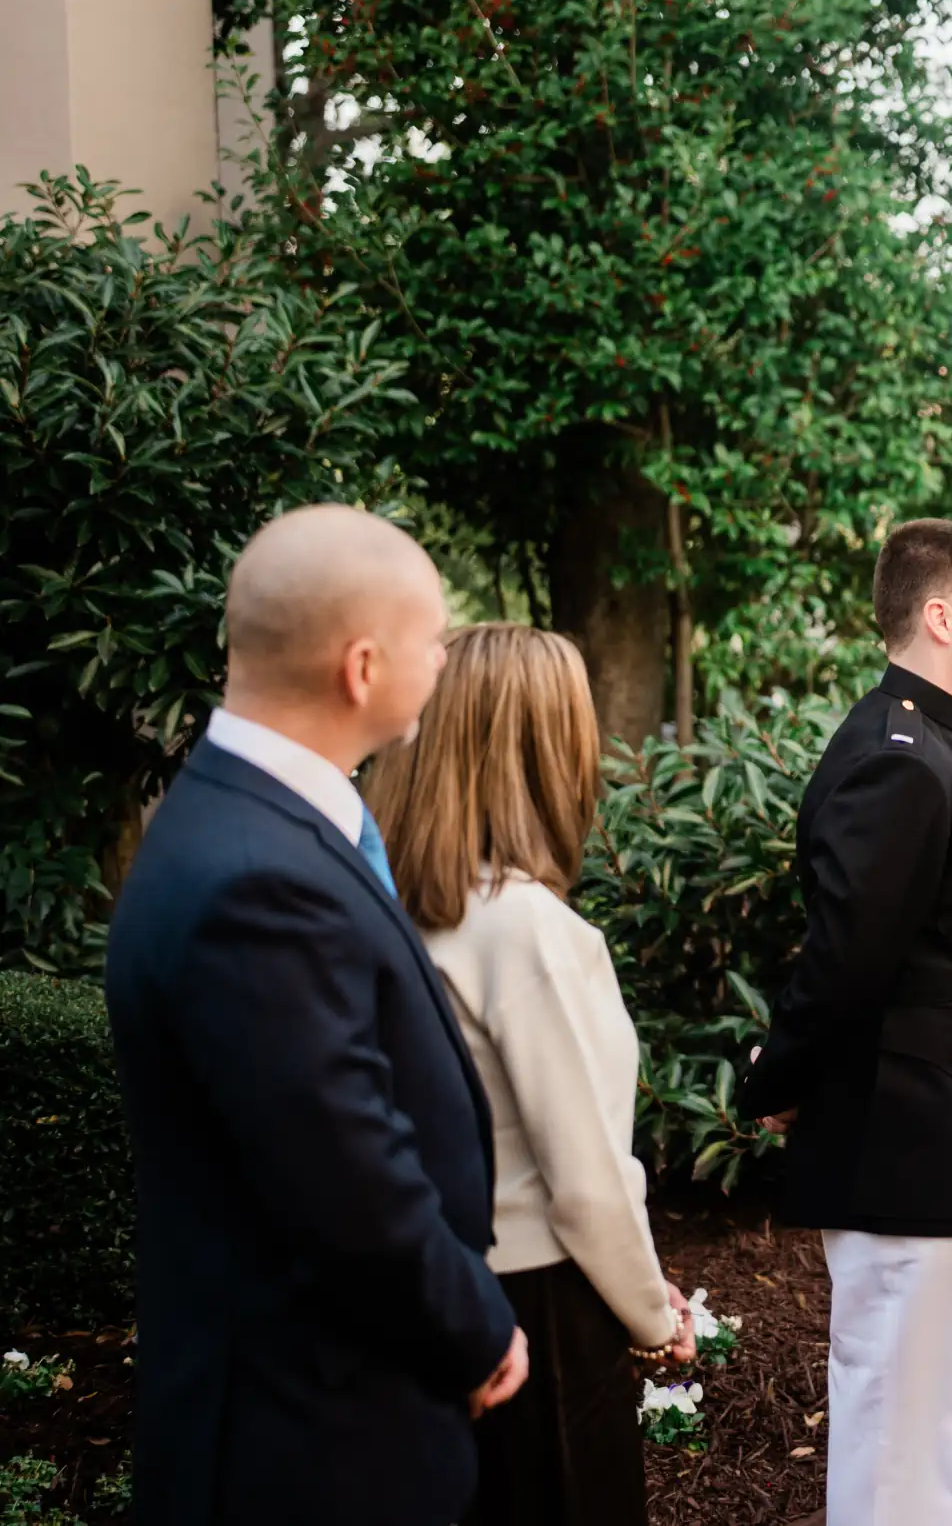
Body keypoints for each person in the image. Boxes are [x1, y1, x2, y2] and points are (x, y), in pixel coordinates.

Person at [104, 505, 527, 1526]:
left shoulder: (244, 821)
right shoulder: (256, 877)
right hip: (308, 1443)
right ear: (364, 667)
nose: (443, 660)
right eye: (433, 641)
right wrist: (475, 1330)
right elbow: (348, 1178)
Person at [735, 518, 952, 1526]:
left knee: (934, 1410)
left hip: (928, 1133)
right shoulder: (903, 758)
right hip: (905, 1132)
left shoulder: (925, 743)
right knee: (898, 1418)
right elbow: (848, 962)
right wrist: (779, 1082)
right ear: (939, 615)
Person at [367, 624, 697, 1526]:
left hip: (439, 1295)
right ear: (546, 746)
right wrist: (653, 1314)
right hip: (541, 1312)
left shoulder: (398, 916)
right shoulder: (531, 932)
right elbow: (584, 1183)